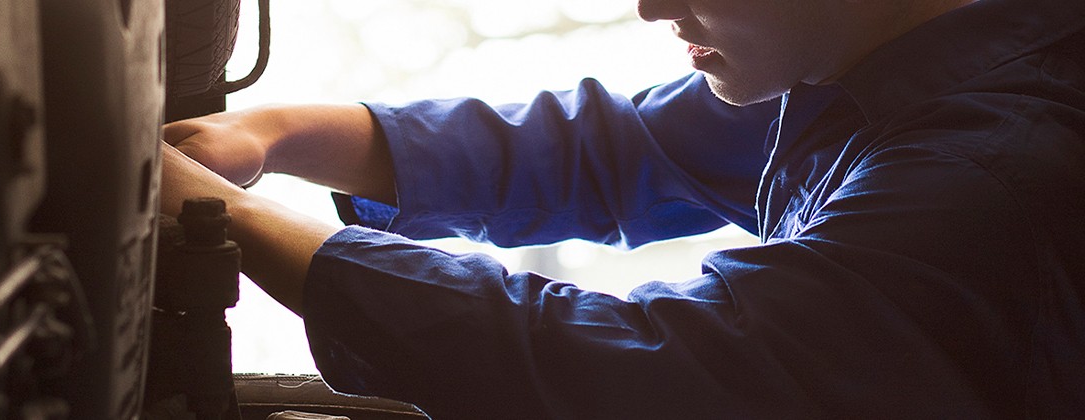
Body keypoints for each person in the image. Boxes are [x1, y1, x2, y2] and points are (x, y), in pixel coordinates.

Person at [160, 0, 1085, 416]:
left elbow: (648, 370)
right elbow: (613, 151)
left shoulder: (991, 175)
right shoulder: (879, 53)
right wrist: (276, 132)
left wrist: (231, 223)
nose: (650, 6)